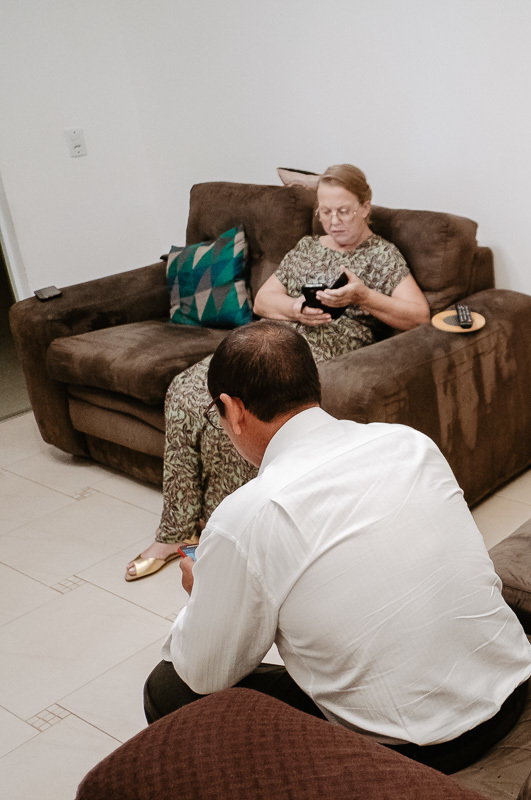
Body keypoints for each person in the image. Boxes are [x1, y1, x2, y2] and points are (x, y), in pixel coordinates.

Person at [143, 320, 531, 773]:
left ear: (233, 409)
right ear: (314, 384)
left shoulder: (248, 514)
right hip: (510, 687)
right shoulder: (409, 443)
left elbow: (205, 672)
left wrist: (204, 589)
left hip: (416, 748)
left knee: (168, 689)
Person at [126, 164, 431, 581]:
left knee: (238, 413)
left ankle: (223, 533)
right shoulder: (308, 247)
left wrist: (363, 295)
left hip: (319, 352)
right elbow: (266, 298)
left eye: (343, 211)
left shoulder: (382, 255)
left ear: (365, 206)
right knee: (184, 391)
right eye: (326, 212)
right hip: (272, 336)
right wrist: (296, 309)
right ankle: (174, 530)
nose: (334, 221)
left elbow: (419, 315)